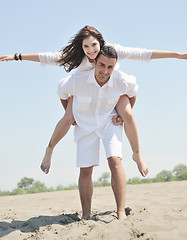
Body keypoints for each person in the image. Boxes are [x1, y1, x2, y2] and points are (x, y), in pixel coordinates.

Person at [1, 25, 186, 175]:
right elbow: (47, 57)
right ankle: (49, 149)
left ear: (101, 42)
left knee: (128, 113)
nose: (90, 50)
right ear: (81, 47)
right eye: (86, 46)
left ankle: (137, 155)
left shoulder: (112, 51)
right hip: (84, 91)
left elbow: (143, 54)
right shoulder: (76, 57)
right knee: (67, 118)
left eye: (94, 45)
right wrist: (17, 57)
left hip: (111, 89)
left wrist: (177, 55)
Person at [57, 45, 139, 220]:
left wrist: (124, 115)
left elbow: (133, 93)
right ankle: (86, 215)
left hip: (110, 119)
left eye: (110, 67)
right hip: (86, 123)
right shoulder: (77, 80)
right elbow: (62, 93)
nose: (105, 71)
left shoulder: (121, 80)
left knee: (115, 161)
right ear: (94, 62)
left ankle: (120, 212)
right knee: (86, 169)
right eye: (102, 65)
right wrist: (72, 116)